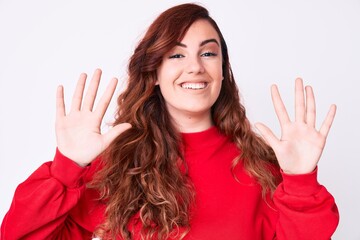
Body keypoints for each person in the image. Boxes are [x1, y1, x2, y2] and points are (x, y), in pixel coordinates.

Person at [1, 3, 339, 240]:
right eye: (176, 54)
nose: (195, 66)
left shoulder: (260, 165)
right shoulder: (115, 165)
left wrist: (300, 181)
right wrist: (67, 167)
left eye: (208, 53)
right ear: (155, 73)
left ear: (222, 70)